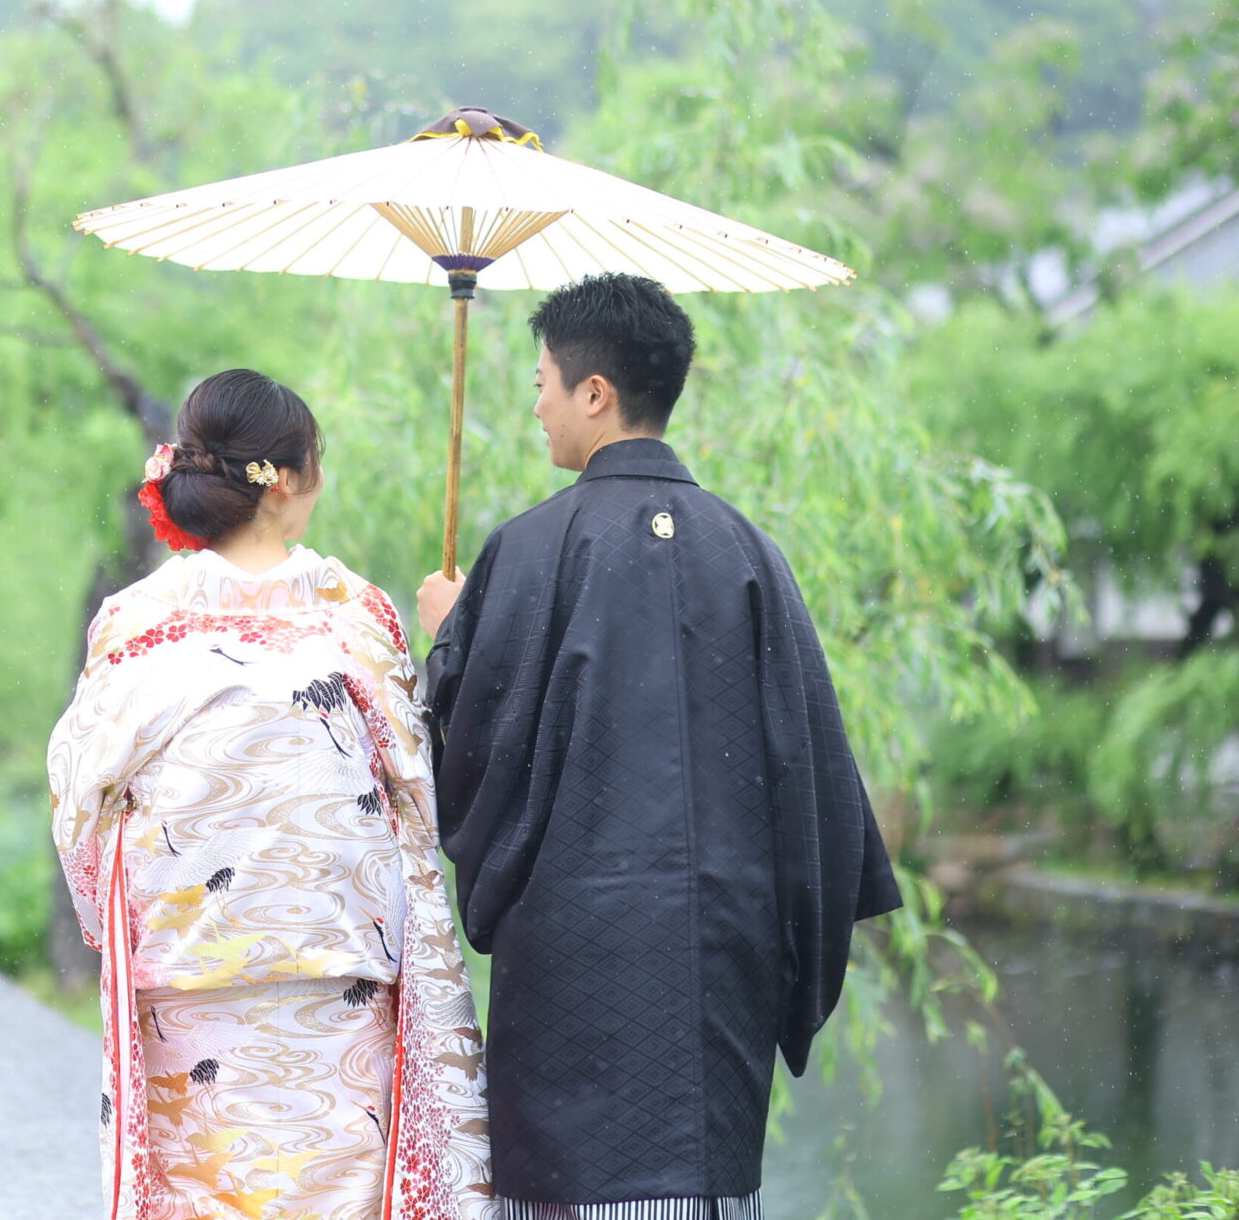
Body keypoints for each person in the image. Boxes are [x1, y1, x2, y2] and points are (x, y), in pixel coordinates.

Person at [416, 274, 902, 1220]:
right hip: (723, 957)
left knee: (572, 1192)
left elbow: (463, 764)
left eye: (543, 382)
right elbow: (818, 794)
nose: (536, 403)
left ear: (595, 393)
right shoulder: (750, 551)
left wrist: (449, 632)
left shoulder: (531, 550)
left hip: (574, 962)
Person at [50, 369, 495, 1220]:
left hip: (186, 981)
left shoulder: (134, 621)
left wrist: (120, 922)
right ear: (287, 479)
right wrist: (461, 643)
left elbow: (80, 802)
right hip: (339, 982)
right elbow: (420, 797)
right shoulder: (355, 615)